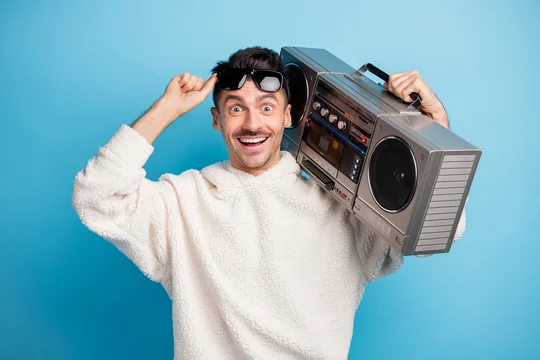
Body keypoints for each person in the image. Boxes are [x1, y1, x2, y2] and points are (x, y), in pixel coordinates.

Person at [72, 46, 465, 359]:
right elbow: (95, 196)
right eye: (236, 108)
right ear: (217, 119)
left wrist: (435, 129)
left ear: (289, 116)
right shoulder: (182, 203)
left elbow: (434, 231)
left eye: (266, 106)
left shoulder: (342, 208)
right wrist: (166, 110)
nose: (252, 123)